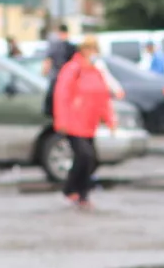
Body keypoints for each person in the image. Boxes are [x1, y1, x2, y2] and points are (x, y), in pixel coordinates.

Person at [52, 36, 115, 210]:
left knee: (91, 160)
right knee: (84, 156)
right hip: (73, 123)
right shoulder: (72, 69)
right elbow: (62, 95)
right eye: (90, 49)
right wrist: (62, 120)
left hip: (89, 124)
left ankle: (78, 191)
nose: (93, 53)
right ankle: (75, 191)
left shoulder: (96, 72)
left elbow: (103, 97)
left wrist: (109, 119)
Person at [42, 23, 76, 117]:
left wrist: (44, 73)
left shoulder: (54, 45)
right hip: (69, 79)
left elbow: (47, 62)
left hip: (56, 78)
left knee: (53, 103)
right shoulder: (72, 46)